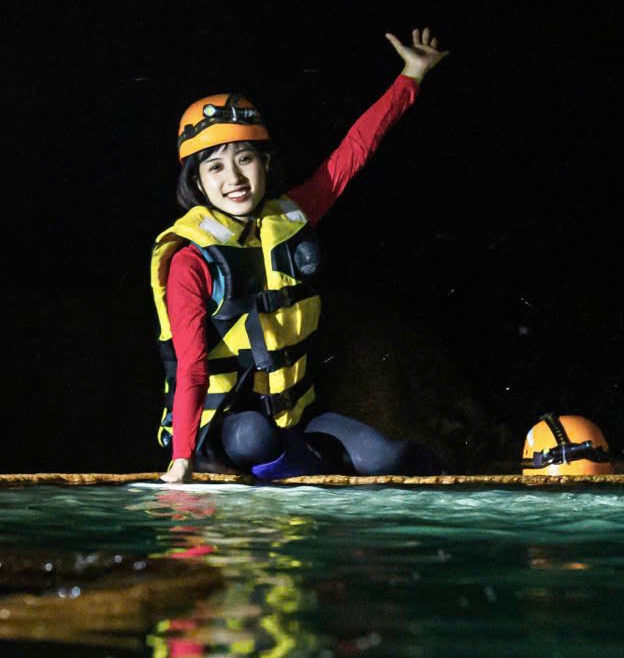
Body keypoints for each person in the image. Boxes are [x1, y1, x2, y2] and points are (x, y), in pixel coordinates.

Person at [151, 30, 447, 484]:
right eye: (215, 167)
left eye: (244, 158)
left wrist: (413, 75)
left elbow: (355, 151)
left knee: (386, 457)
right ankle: (288, 466)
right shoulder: (189, 260)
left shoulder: (292, 214)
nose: (233, 177)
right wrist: (181, 461)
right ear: (197, 181)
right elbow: (192, 367)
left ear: (265, 164)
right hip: (221, 428)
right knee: (252, 435)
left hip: (292, 419)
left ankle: (309, 465)